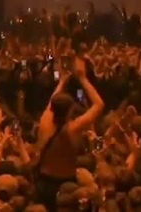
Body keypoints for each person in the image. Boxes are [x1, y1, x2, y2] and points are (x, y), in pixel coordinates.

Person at [35, 59, 105, 210]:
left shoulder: (44, 121)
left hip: (43, 182)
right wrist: (83, 78)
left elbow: (51, 102)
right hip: (65, 183)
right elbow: (99, 105)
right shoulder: (73, 129)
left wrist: (62, 82)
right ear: (70, 111)